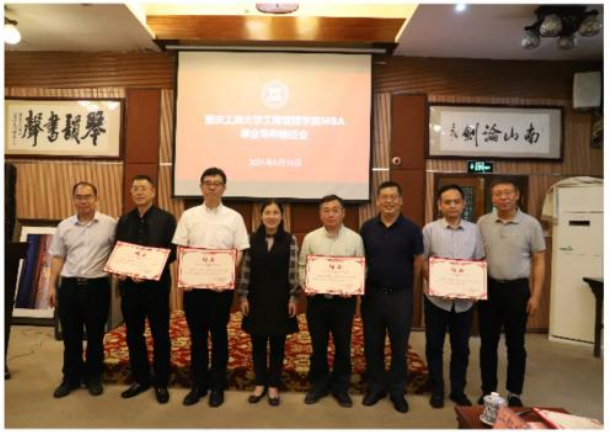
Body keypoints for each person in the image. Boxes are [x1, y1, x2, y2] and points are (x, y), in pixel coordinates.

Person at [172, 167, 250, 408]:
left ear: (224, 188)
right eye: (208, 182)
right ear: (201, 187)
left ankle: (217, 385)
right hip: (194, 288)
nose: (212, 186)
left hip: (220, 290)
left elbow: (239, 250)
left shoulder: (234, 217)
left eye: (217, 183)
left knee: (218, 335)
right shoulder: (189, 215)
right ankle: (198, 384)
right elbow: (180, 248)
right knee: (196, 336)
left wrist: (225, 277)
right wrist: (187, 277)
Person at [477, 176, 546, 407]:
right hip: (488, 288)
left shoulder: (531, 224)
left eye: (507, 193)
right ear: (492, 198)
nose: (503, 197)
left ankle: (514, 392)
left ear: (517, 195)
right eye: (498, 193)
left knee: (516, 344)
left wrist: (536, 296)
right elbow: (476, 256)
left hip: (518, 290)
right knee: (488, 343)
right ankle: (488, 390)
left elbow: (539, 261)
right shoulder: (483, 222)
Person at [359, 180, 423, 414]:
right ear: (377, 201)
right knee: (372, 344)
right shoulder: (367, 228)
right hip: (372, 295)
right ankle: (376, 387)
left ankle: (397, 390)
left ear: (401, 200)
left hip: (401, 297)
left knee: (399, 346)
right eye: (384, 197)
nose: (389, 201)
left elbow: (418, 261)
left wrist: (408, 288)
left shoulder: (412, 228)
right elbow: (361, 261)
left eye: (393, 197)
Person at [48, 181, 117, 398]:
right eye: (79, 197)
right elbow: (58, 257)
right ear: (73, 199)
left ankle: (93, 376)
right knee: (71, 336)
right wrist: (51, 286)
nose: (83, 201)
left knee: (96, 335)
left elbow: (118, 252)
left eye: (88, 196)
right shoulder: (64, 226)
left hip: (97, 287)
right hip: (69, 286)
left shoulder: (109, 224)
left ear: (96, 199)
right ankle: (71, 378)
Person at [113, 175, 176, 404]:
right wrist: (121, 270)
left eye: (143, 188)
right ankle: (141, 379)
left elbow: (172, 252)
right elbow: (118, 250)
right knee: (133, 334)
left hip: (156, 288)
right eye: (135, 188)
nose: (139, 192)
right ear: (131, 193)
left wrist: (147, 271)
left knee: (160, 334)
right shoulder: (124, 220)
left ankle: (161, 381)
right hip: (130, 288)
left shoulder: (166, 219)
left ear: (153, 192)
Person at [298, 194, 364, 408]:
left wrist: (352, 288)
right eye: (326, 210)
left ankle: (340, 387)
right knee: (318, 345)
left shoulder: (355, 239)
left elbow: (361, 267)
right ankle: (318, 385)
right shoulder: (311, 238)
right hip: (317, 301)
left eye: (335, 210)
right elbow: (302, 267)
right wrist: (307, 285)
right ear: (320, 214)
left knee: (343, 345)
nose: (331, 214)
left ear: (343, 213)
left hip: (343, 303)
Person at [422, 184, 485, 409]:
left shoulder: (475, 230)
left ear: (463, 204)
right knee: (434, 346)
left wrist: (475, 288)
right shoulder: (429, 230)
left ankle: (458, 390)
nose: (452, 205)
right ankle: (437, 388)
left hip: (464, 302)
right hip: (436, 300)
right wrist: (437, 284)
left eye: (456, 201)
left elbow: (479, 261)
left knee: (461, 348)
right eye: (447, 202)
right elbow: (423, 261)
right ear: (439, 205)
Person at [237, 200, 299, 407]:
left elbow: (293, 271)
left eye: (275, 213)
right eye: (267, 212)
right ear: (261, 216)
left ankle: (273, 385)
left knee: (278, 343)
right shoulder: (251, 239)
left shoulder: (290, 239)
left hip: (281, 298)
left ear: (281, 216)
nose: (271, 216)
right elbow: (245, 269)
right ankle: (260, 383)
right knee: (258, 342)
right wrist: (243, 296)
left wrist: (293, 297)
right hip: (256, 297)